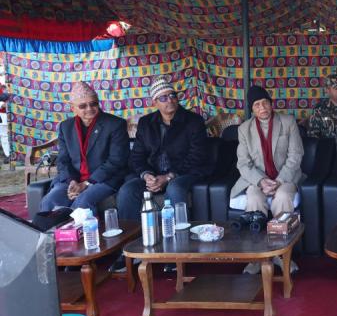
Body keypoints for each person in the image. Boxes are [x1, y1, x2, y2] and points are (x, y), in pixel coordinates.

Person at [117, 76, 212, 221]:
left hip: (185, 172)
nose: (170, 100)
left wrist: (169, 177)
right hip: (154, 174)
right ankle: (134, 233)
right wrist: (146, 175)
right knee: (127, 191)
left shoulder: (193, 121)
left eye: (172, 95)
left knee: (174, 188)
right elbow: (137, 156)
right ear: (154, 102)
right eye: (163, 98)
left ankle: (179, 233)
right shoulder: (146, 123)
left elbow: (197, 156)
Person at [232, 85, 303, 275]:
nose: (262, 107)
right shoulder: (244, 129)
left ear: (271, 104)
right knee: (254, 198)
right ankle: (257, 257)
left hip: (285, 177)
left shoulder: (287, 122)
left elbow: (296, 155)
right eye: (257, 105)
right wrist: (262, 181)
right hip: (257, 180)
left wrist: (279, 181)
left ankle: (281, 254)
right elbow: (243, 163)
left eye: (265, 103)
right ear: (252, 109)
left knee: (283, 197)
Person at [39, 82, 129, 216]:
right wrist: (71, 181)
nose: (89, 109)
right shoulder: (66, 127)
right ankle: (52, 231)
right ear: (73, 108)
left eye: (93, 104)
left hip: (104, 179)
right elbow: (63, 160)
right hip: (74, 179)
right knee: (50, 201)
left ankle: (85, 230)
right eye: (83, 106)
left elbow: (117, 161)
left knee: (82, 203)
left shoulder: (115, 124)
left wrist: (86, 184)